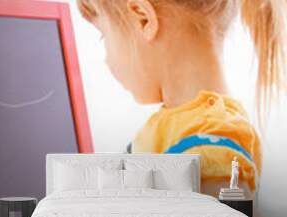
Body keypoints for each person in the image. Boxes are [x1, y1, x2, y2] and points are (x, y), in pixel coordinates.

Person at [77, 0, 287, 197]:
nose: (106, 59)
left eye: (103, 35)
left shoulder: (212, 149)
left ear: (143, 19)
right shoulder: (176, 125)